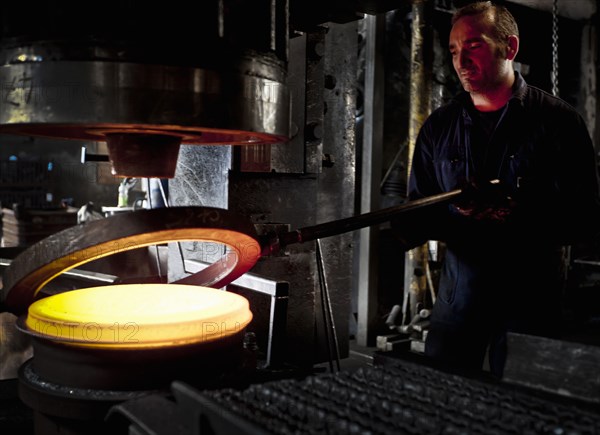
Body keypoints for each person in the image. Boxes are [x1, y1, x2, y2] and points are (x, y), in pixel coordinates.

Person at [406, 1, 600, 377]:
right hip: (457, 306)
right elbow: (419, 209)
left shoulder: (559, 123)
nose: (461, 60)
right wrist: (451, 212)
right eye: (454, 50)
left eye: (474, 46)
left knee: (523, 412)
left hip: (531, 306)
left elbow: (586, 219)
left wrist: (518, 211)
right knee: (441, 401)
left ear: (509, 48)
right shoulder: (438, 127)